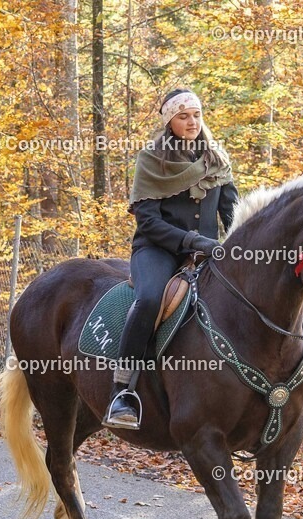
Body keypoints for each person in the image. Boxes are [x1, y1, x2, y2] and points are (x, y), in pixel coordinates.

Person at [103, 89, 239, 430]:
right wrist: (192, 240)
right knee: (149, 298)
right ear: (169, 121)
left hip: (208, 251)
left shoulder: (218, 158)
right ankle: (123, 391)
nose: (191, 121)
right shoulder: (151, 159)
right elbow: (147, 220)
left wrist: (242, 249)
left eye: (196, 114)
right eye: (183, 116)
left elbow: (232, 214)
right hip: (157, 250)